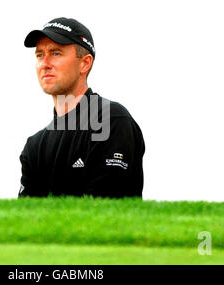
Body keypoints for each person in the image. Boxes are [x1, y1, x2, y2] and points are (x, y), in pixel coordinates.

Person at [19, 17, 145, 198]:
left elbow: (105, 213)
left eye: (56, 53)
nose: (45, 64)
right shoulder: (34, 146)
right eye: (40, 55)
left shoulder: (110, 120)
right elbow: (24, 220)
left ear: (85, 63)